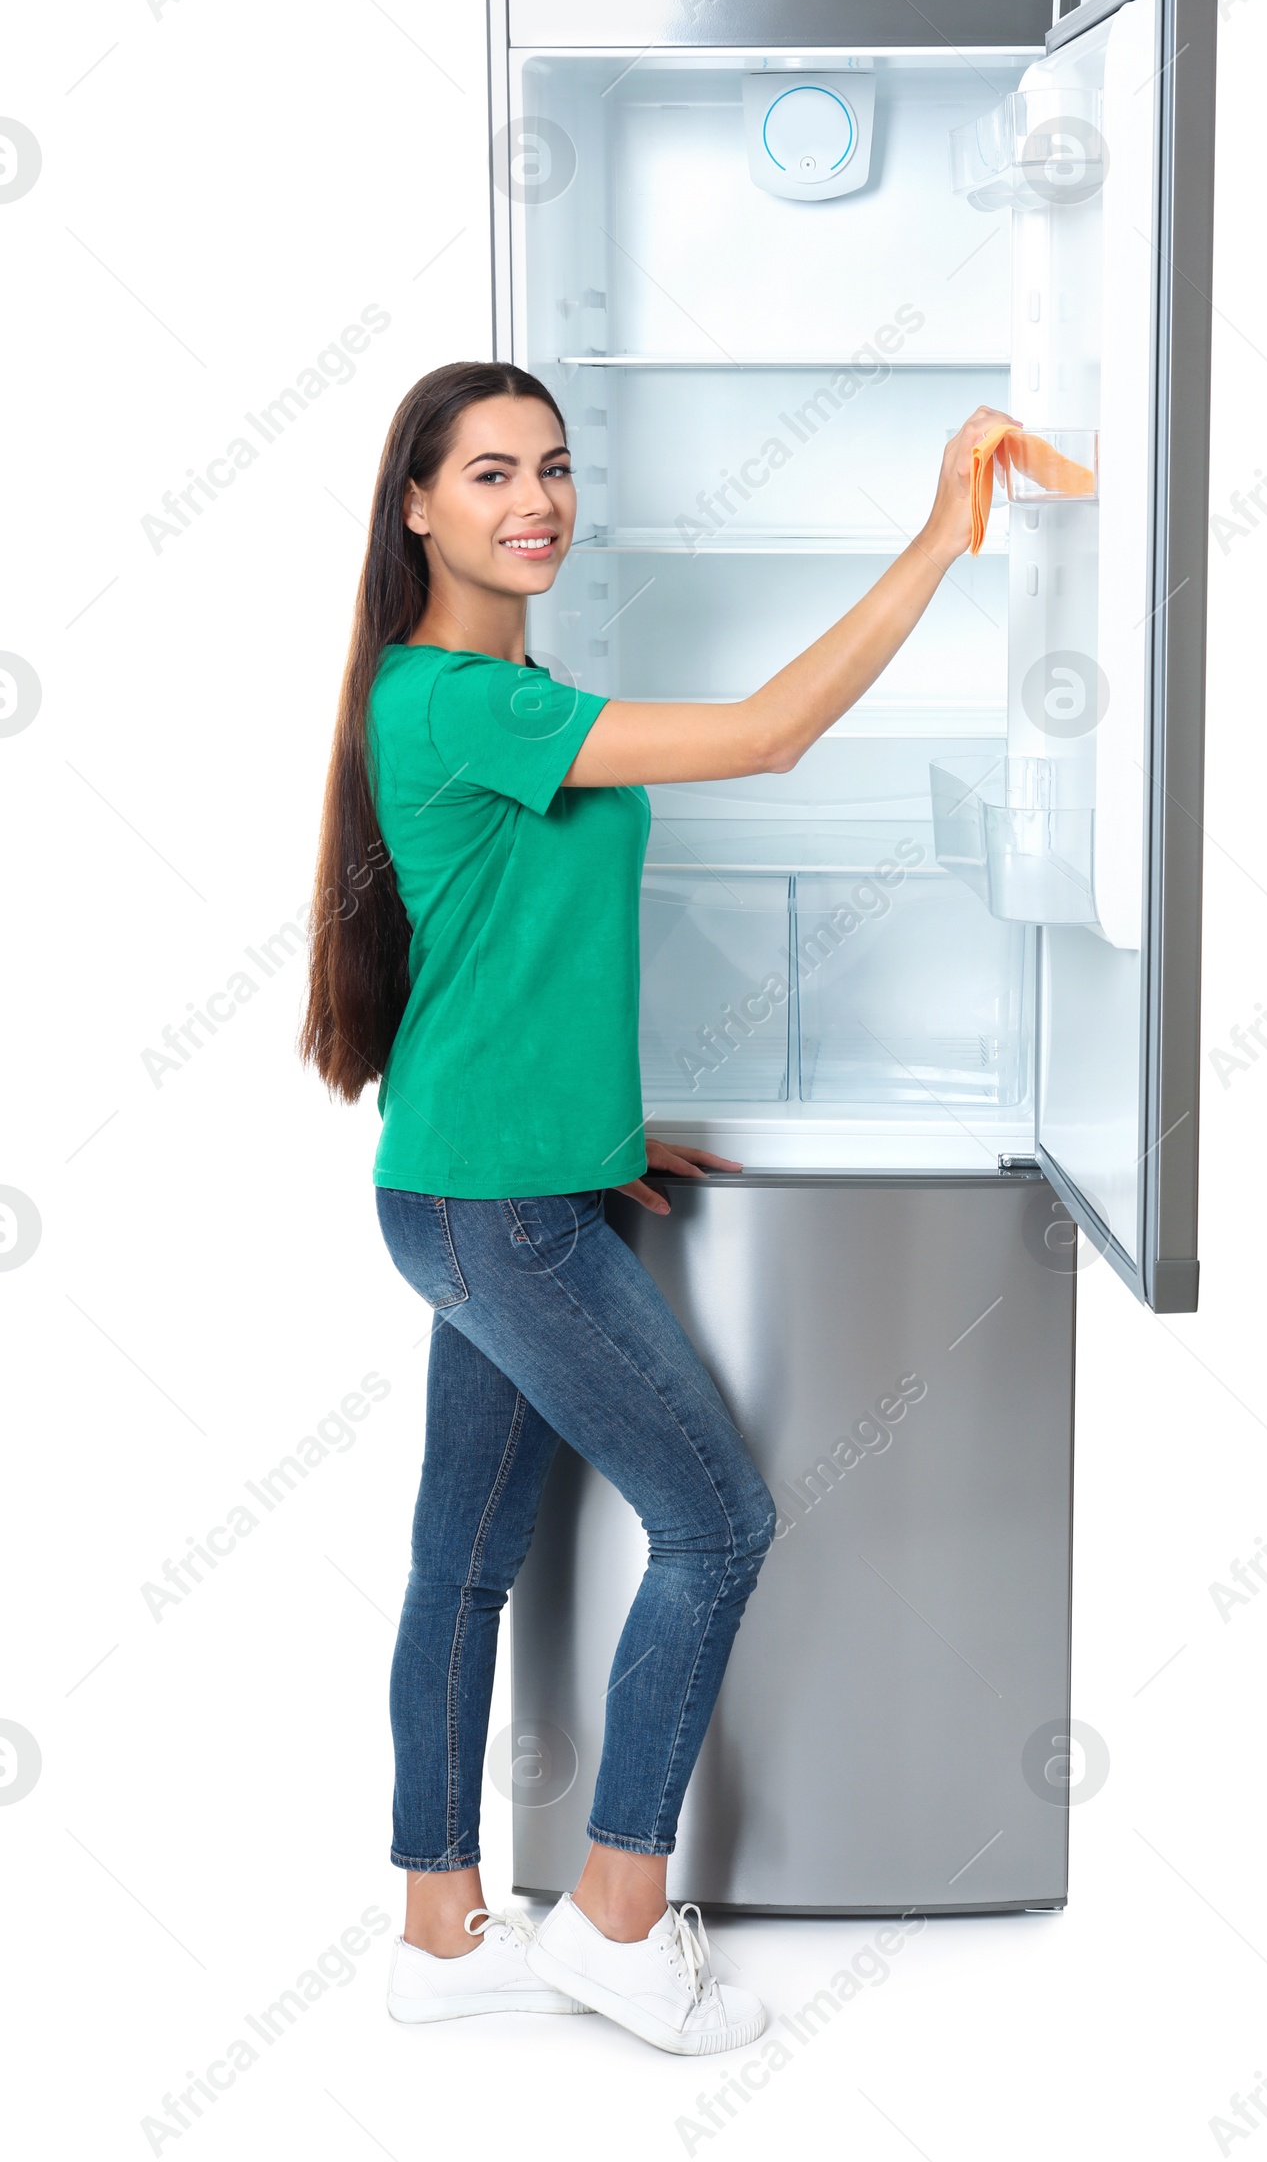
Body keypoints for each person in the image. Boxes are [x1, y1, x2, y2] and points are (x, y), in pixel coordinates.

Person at [300, 359, 1012, 2054]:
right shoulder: (466, 698)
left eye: (552, 466)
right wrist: (937, 540)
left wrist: (607, 1131)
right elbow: (768, 735)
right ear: (415, 507)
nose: (534, 499)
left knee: (461, 1565)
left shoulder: (488, 689)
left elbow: (506, 966)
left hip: (486, 1184)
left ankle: (439, 1931)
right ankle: (618, 1918)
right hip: (501, 1216)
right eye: (488, 475)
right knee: (719, 1525)